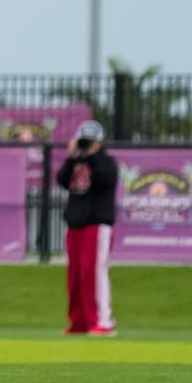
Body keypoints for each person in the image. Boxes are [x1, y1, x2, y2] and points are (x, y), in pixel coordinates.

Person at [55, 120, 118, 336]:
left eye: (90, 141)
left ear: (99, 143)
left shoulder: (106, 162)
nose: (86, 145)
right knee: (75, 275)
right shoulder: (76, 162)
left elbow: (103, 179)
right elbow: (62, 180)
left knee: (94, 272)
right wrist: (72, 156)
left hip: (96, 223)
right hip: (75, 224)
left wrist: (92, 156)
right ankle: (79, 321)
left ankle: (102, 320)